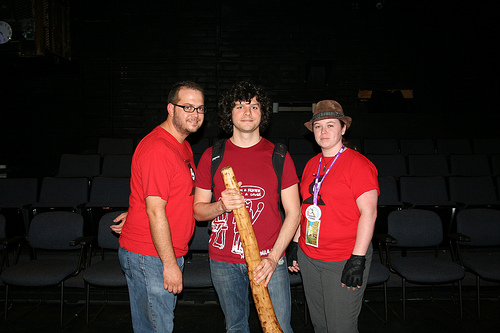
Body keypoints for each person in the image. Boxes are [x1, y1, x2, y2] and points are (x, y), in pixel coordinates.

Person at [193, 81, 301, 333]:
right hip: (223, 261)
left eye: (254, 106)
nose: (247, 112)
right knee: (236, 328)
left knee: (279, 328)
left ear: (262, 113)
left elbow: (294, 213)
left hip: (268, 259)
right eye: (239, 106)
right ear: (228, 113)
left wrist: (274, 258)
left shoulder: (279, 155)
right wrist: (220, 205)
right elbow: (198, 210)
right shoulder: (212, 156)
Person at [117, 81, 205, 333]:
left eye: (200, 109)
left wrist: (134, 211)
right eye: (187, 107)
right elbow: (156, 210)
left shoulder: (183, 145)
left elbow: (169, 196)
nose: (195, 114)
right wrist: (169, 264)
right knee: (157, 328)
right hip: (152, 256)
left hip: (161, 251)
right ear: (170, 108)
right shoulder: (159, 148)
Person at [288, 100, 379, 333]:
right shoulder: (312, 164)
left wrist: (357, 259)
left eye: (330, 125)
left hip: (342, 259)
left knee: (341, 328)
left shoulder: (358, 164)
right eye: (318, 126)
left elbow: (369, 213)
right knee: (320, 325)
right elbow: (308, 208)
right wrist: (296, 244)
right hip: (310, 259)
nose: (324, 131)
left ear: (343, 128)